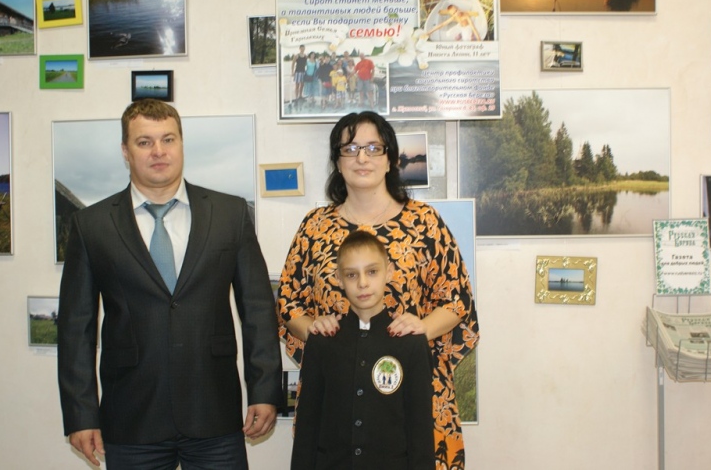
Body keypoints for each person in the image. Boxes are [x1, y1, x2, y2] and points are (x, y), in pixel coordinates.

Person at [57, 99, 282, 469]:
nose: (158, 151)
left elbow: (257, 309)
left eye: (168, 139)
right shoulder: (91, 225)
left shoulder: (229, 214)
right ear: (125, 151)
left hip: (215, 414)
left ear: (181, 144)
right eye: (144, 142)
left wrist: (265, 390)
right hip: (131, 417)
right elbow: (75, 329)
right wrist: (81, 414)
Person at [277, 111, 479, 469]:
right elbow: (289, 303)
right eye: (350, 148)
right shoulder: (314, 227)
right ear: (337, 161)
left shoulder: (425, 222)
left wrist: (422, 328)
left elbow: (457, 300)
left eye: (373, 147)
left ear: (390, 159)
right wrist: (314, 329)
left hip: (412, 400)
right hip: (337, 403)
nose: (362, 158)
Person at [290, 230, 434, 469]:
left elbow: (421, 432)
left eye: (372, 272)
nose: (363, 283)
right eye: (351, 275)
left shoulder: (411, 342)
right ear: (339, 279)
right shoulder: (322, 341)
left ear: (389, 272)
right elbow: (307, 427)